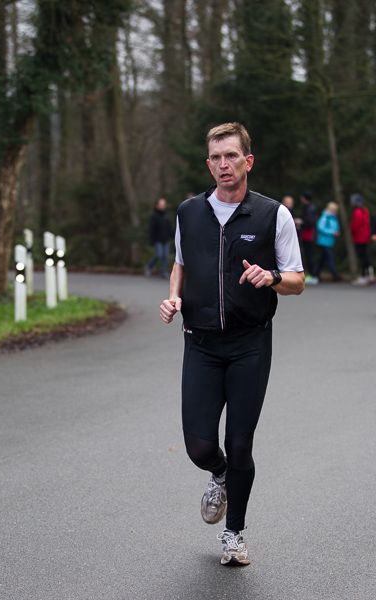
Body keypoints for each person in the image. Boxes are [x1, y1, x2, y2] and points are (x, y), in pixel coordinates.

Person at [159, 122, 304, 566]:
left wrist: (272, 276)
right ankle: (219, 474)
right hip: (200, 344)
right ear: (209, 165)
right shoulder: (188, 212)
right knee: (199, 447)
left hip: (249, 345)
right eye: (217, 158)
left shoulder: (272, 215)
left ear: (248, 161)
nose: (224, 164)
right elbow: (180, 264)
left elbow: (297, 280)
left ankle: (234, 534)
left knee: (241, 443)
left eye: (232, 156)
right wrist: (174, 297)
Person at [145, 198, 172, 278]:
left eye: (163, 205)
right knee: (159, 255)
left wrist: (172, 235)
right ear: (157, 205)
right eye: (161, 204)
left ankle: (163, 271)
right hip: (158, 239)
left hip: (166, 239)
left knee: (165, 256)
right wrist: (152, 239)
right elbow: (152, 229)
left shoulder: (166, 216)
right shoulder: (154, 216)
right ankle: (148, 267)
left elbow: (169, 227)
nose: (162, 206)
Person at [349, 193, 373, 285]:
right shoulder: (365, 210)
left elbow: (355, 225)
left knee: (363, 257)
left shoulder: (358, 212)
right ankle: (368, 275)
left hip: (360, 237)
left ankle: (365, 276)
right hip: (365, 236)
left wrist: (352, 232)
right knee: (365, 256)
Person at [314, 202, 341, 281]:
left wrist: (336, 232)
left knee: (322, 260)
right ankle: (335, 275)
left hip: (330, 241)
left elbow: (335, 227)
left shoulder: (333, 218)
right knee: (330, 258)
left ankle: (316, 274)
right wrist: (332, 232)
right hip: (324, 241)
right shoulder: (325, 217)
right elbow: (320, 228)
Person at [297, 191, 318, 284]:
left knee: (309, 256)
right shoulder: (308, 207)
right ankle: (311, 275)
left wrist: (301, 222)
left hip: (309, 235)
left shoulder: (309, 208)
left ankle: (313, 275)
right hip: (307, 235)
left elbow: (310, 222)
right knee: (308, 255)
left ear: (304, 198)